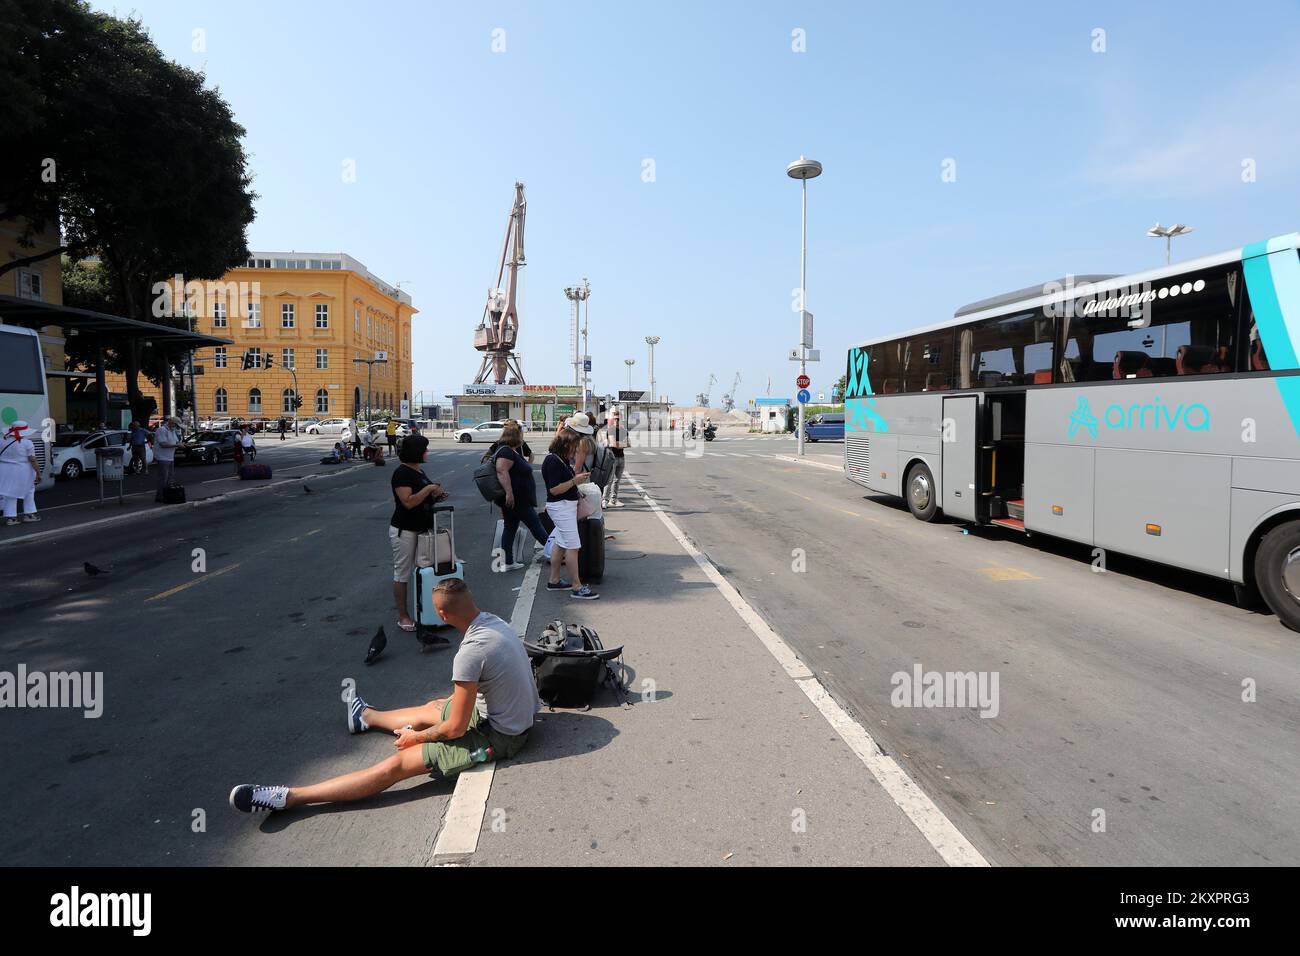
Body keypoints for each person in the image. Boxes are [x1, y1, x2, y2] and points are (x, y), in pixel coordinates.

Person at [229, 579, 535, 815]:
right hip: (503, 713)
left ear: (441, 613)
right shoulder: (493, 621)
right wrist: (430, 727)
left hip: (502, 736)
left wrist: (418, 738)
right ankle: (365, 716)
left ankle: (289, 798)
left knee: (397, 765)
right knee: (435, 706)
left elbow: (455, 730)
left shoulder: (470, 653)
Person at [390, 434, 446, 631]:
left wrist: (435, 496)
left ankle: (426, 611)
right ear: (416, 452)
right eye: (425, 449)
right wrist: (430, 488)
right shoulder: (402, 473)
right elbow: (408, 502)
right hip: (405, 529)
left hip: (422, 527)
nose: (427, 452)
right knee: (402, 572)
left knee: (425, 569)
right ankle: (403, 615)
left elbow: (421, 499)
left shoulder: (418, 471)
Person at [542, 428, 598, 600]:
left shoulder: (559, 459)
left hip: (563, 506)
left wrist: (574, 482)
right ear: (565, 445)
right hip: (561, 507)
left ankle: (554, 579)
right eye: (574, 448)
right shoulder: (553, 461)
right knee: (573, 546)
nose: (575, 452)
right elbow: (554, 489)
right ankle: (577, 586)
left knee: (561, 543)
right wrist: (575, 480)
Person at [493, 421, 547, 571]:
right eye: (522, 434)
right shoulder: (506, 451)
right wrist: (509, 493)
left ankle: (507, 562)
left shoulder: (512, 450)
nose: (523, 436)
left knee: (510, 528)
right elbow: (501, 471)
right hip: (517, 499)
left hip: (517, 498)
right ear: (516, 435)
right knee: (535, 525)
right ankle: (554, 553)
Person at [0, 420, 41, 526]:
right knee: (29, 491)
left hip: (4, 469)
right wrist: (38, 473)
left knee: (10, 493)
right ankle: (29, 514)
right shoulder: (27, 443)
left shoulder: (2, 441)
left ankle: (11, 518)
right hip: (22, 470)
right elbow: (32, 459)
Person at [603, 407, 628, 508]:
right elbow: (613, 444)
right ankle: (604, 500)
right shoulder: (611, 430)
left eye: (618, 418)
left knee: (617, 480)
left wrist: (619, 444)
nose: (617, 420)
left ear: (621, 419)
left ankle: (614, 500)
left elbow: (628, 443)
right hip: (612, 458)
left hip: (621, 457)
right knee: (609, 480)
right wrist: (622, 443)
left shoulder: (623, 430)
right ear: (613, 420)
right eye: (615, 419)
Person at [151, 416, 180, 502]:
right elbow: (163, 444)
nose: (176, 426)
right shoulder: (161, 430)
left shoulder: (172, 431)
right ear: (171, 422)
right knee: (163, 478)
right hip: (162, 457)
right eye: (175, 424)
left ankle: (167, 494)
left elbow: (176, 441)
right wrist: (177, 445)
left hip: (170, 457)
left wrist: (183, 445)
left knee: (170, 477)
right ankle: (160, 496)